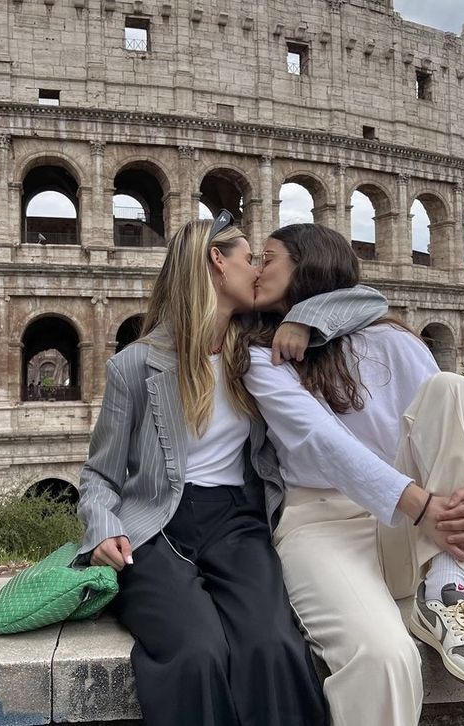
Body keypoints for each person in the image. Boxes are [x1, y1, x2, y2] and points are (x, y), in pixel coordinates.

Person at [75, 212, 350, 726]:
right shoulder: (136, 366)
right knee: (196, 652)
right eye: (250, 259)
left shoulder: (263, 353)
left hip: (238, 523)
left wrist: (302, 320)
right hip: (154, 529)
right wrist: (103, 528)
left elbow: (360, 299)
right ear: (217, 263)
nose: (258, 272)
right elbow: (100, 476)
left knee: (273, 645)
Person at [242, 223, 464, 726]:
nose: (256, 269)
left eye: (268, 258)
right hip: (323, 525)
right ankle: (437, 585)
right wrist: (420, 504)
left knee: (455, 390)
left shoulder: (392, 339)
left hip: (413, 531)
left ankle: (446, 592)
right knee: (382, 657)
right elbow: (320, 441)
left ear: (308, 266)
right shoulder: (261, 355)